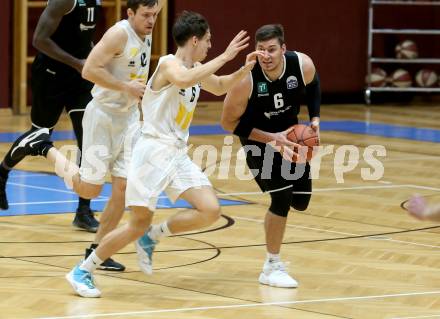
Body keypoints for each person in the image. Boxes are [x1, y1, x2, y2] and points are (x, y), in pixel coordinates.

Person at [65, 10, 262, 298]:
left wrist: (244, 69)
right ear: (194, 40)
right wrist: (226, 56)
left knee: (210, 209)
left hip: (176, 154)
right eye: (208, 41)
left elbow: (219, 86)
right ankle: (83, 270)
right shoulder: (170, 64)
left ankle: (153, 236)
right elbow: (182, 80)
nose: (210, 46)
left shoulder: (195, 68)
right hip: (152, 152)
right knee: (136, 223)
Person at [27, 0, 165, 272]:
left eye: (155, 15)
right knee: (90, 188)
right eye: (146, 15)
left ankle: (96, 253)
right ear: (130, 13)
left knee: (123, 189)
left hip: (127, 119)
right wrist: (125, 87)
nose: (151, 21)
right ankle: (44, 146)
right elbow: (89, 70)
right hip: (102, 117)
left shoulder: (145, 36)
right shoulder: (118, 33)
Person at [221, 24, 321, 288]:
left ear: (283, 50)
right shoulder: (246, 79)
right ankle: (271, 265)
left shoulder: (301, 64)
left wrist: (314, 118)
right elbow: (228, 123)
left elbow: (314, 84)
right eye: (261, 50)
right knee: (282, 196)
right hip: (257, 139)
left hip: (290, 136)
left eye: (272, 50)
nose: (266, 55)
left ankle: (272, 256)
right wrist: (270, 138)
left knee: (300, 202)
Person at [0, 0, 102, 232]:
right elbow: (39, 40)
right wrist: (77, 62)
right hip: (51, 75)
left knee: (88, 138)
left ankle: (83, 211)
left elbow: (83, 37)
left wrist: (95, 57)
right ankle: (2, 172)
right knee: (39, 135)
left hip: (80, 79)